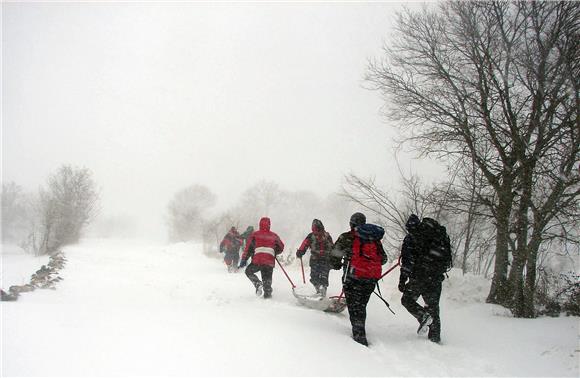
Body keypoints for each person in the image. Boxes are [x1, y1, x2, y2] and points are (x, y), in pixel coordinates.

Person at [330, 212, 388, 346]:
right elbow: (383, 259)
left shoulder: (346, 237)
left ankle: (359, 335)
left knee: (354, 305)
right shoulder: (374, 239)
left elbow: (334, 256)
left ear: (351, 223)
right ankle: (359, 330)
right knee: (361, 304)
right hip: (370, 278)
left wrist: (338, 264)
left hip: (353, 277)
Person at [398, 215, 451, 344]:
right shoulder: (436, 236)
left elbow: (407, 263)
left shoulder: (411, 238)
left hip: (419, 277)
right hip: (436, 277)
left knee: (407, 299)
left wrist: (402, 280)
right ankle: (434, 339)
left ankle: (423, 316)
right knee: (433, 307)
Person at [238, 217, 284, 299]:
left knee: (248, 271)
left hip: (258, 261)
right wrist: (274, 251)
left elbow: (248, 248)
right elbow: (281, 247)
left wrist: (244, 259)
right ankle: (267, 294)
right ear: (269, 225)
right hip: (269, 261)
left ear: (260, 224)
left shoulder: (255, 235)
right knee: (267, 280)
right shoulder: (274, 236)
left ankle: (257, 283)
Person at [296, 219, 334, 296]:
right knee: (318, 276)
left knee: (319, 276)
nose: (317, 232)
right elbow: (305, 244)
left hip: (320, 260)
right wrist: (300, 251)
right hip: (320, 260)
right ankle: (320, 290)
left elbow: (304, 245)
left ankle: (321, 291)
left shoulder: (321, 236)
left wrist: (300, 252)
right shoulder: (323, 236)